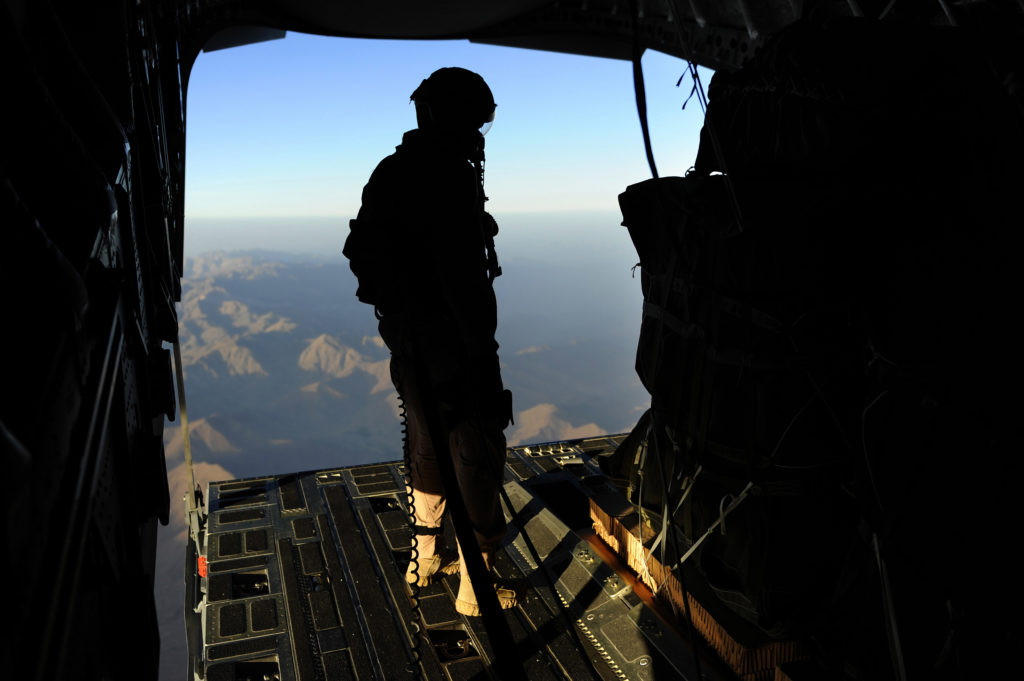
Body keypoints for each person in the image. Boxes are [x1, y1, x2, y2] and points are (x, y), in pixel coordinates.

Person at [343, 67, 516, 616]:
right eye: (478, 121)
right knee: (477, 447)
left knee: (426, 443)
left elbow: (361, 251)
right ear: (456, 118)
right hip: (454, 344)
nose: (481, 133)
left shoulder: (391, 172)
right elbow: (463, 282)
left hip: (408, 341)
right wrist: (482, 355)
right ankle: (474, 588)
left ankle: (423, 561)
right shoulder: (448, 177)